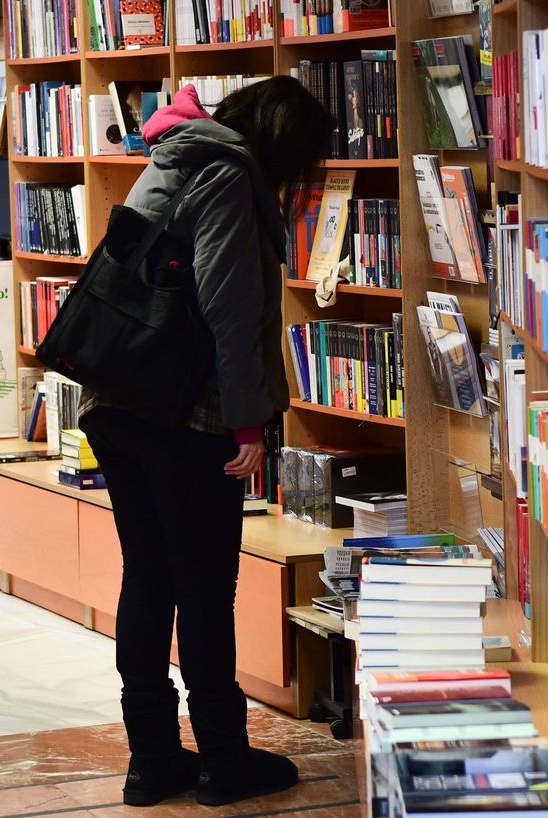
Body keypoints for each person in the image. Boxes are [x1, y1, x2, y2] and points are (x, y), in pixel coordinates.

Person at [78, 77, 336, 808]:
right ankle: (224, 760)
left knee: (149, 578)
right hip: (184, 417)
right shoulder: (227, 174)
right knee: (202, 590)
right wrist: (248, 424)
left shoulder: (173, 155)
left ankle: (153, 760)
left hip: (118, 402)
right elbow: (228, 304)